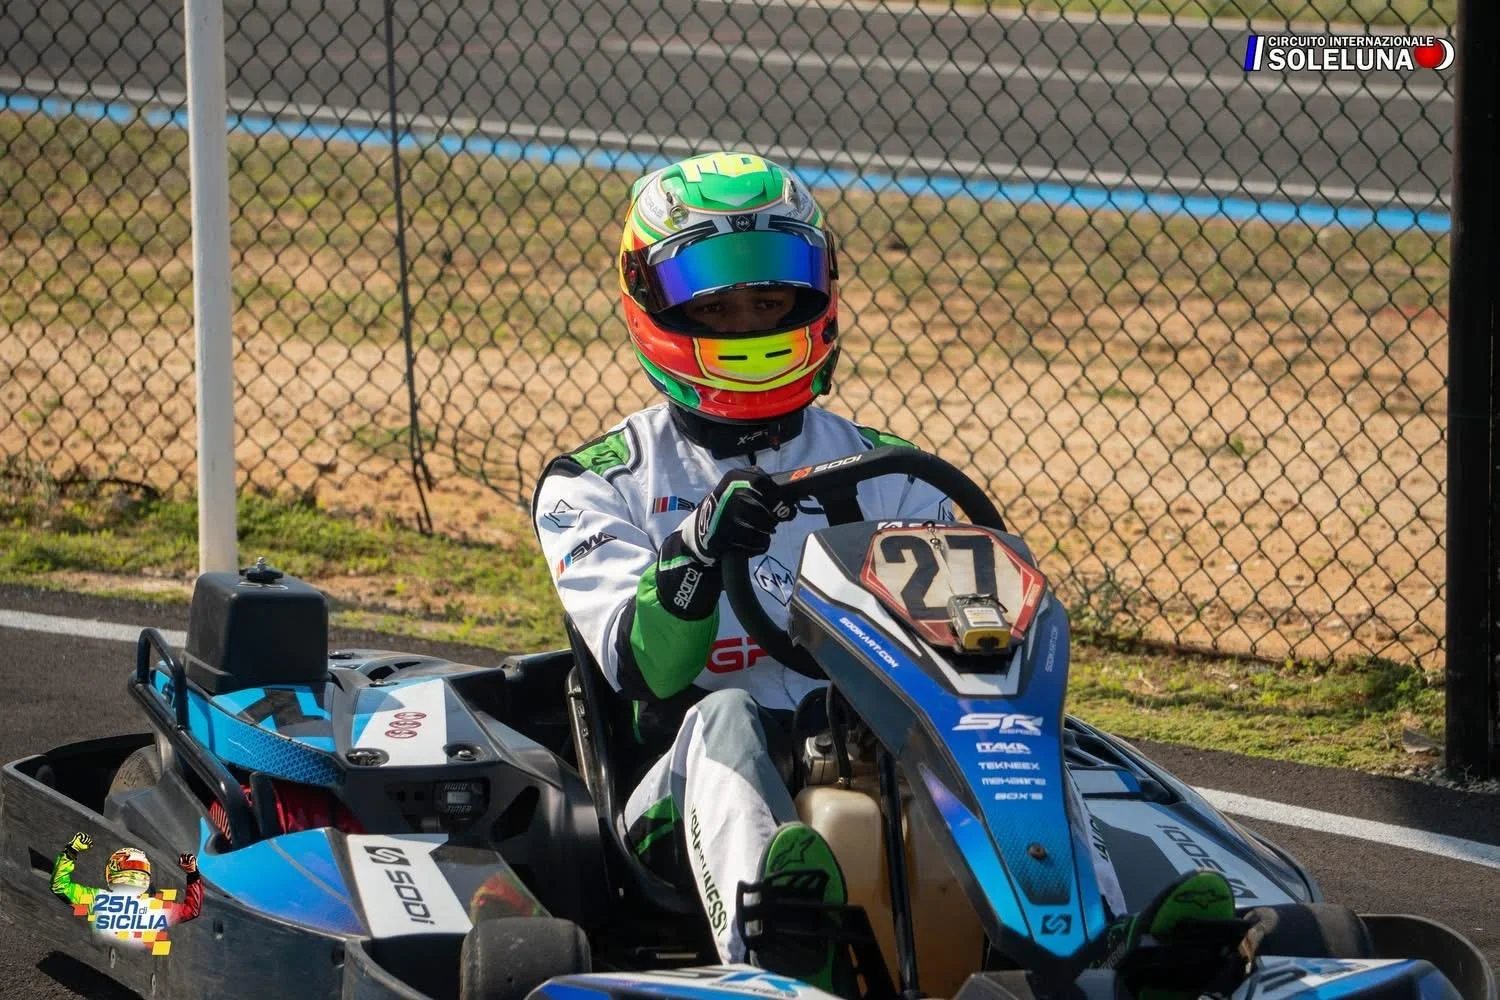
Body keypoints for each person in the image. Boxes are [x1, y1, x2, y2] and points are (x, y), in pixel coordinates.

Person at [531, 151, 1121, 987]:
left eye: (769, 299)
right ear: (654, 304)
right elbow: (648, 671)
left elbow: (981, 650)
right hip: (680, 784)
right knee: (725, 714)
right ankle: (778, 953)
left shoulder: (896, 474)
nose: (747, 323)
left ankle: (1103, 950)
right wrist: (696, 548)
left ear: (815, 294)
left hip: (879, 753)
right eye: (717, 304)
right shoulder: (597, 483)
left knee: (1016, 731)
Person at [52, 832, 203, 927]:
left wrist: (71, 852)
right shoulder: (154, 908)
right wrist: (193, 875)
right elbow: (191, 911)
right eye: (132, 866)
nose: (136, 873)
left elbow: (60, 886)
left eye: (138, 868)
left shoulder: (96, 900)